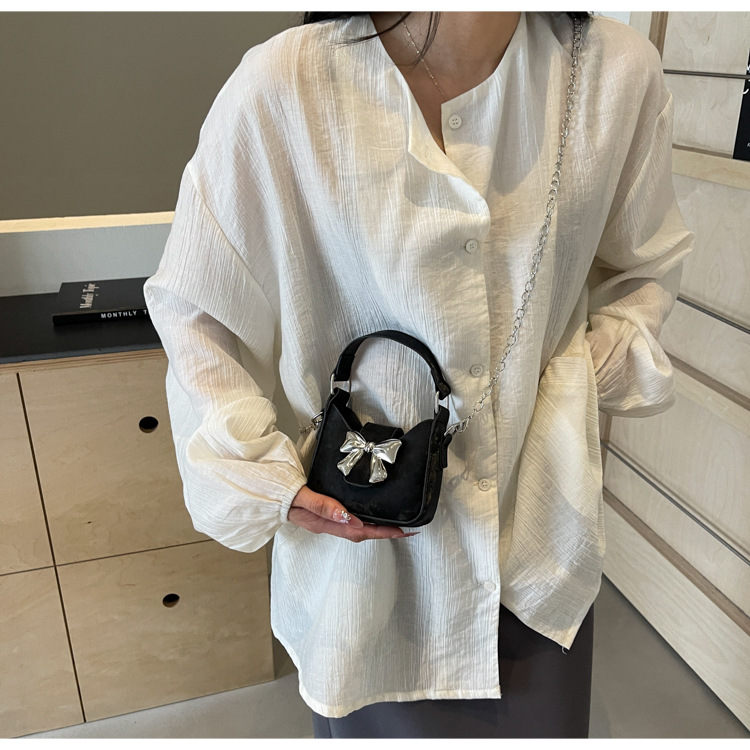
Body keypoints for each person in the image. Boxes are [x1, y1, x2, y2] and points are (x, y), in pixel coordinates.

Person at [143, 11, 694, 738]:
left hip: (535, 552)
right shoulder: (285, 84)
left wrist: (569, 385)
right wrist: (260, 473)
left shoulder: (614, 75)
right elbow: (196, 306)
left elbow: (644, 268)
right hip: (361, 576)